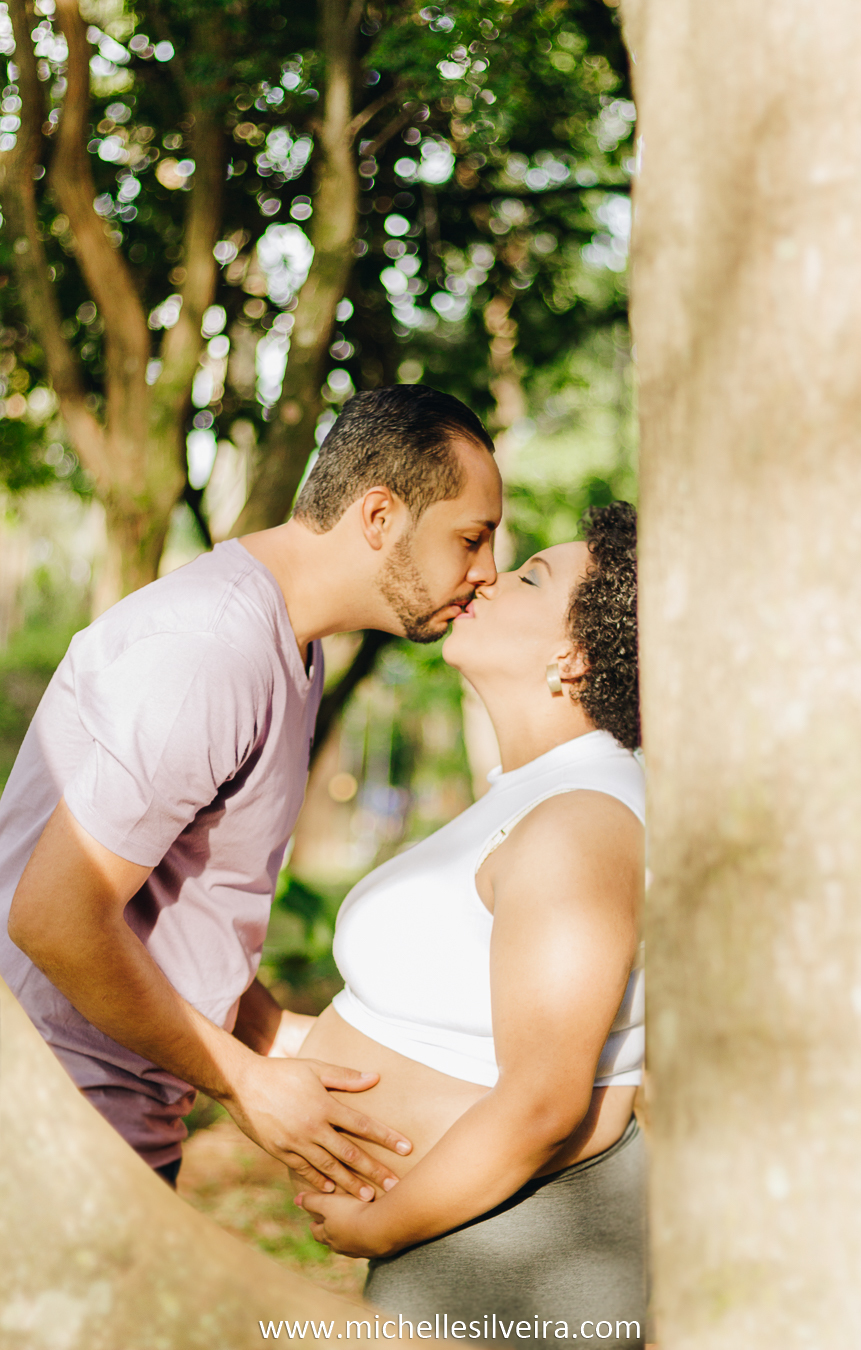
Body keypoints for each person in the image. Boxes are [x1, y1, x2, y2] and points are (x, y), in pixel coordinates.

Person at [0, 385, 502, 1194]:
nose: (487, 572)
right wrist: (242, 1080)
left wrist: (299, 1051)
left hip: (118, 1135)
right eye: (471, 539)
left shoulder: (292, 652)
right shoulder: (211, 648)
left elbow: (177, 927)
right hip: (44, 1139)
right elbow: (53, 920)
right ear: (379, 517)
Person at [293, 502, 647, 1349]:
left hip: (513, 1259)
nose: (488, 574)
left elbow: (542, 1102)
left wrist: (379, 1229)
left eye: (531, 577)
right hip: (472, 1242)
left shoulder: (582, 820)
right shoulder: (533, 794)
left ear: (573, 655)